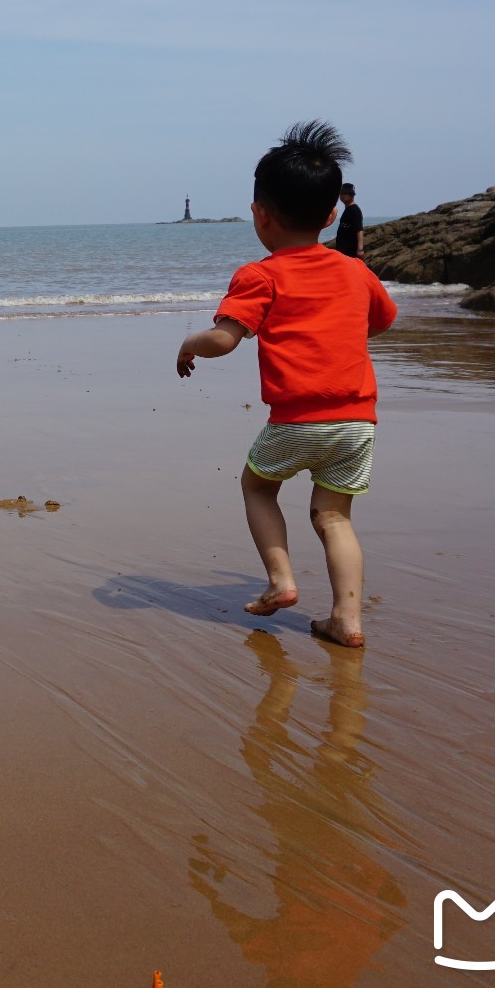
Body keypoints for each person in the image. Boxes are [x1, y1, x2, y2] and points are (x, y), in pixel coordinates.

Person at [174, 122, 397, 648]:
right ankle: (347, 619)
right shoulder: (354, 271)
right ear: (332, 215)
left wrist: (190, 343)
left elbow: (226, 340)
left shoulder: (261, 275)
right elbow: (382, 320)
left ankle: (281, 580)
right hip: (358, 421)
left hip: (297, 420)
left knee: (257, 486)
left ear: (260, 214)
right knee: (334, 516)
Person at [333, 183, 364, 258]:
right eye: (341, 194)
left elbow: (359, 230)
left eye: (345, 194)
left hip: (350, 251)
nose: (342, 196)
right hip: (342, 250)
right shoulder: (348, 209)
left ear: (352, 195)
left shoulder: (354, 210)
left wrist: (360, 249)